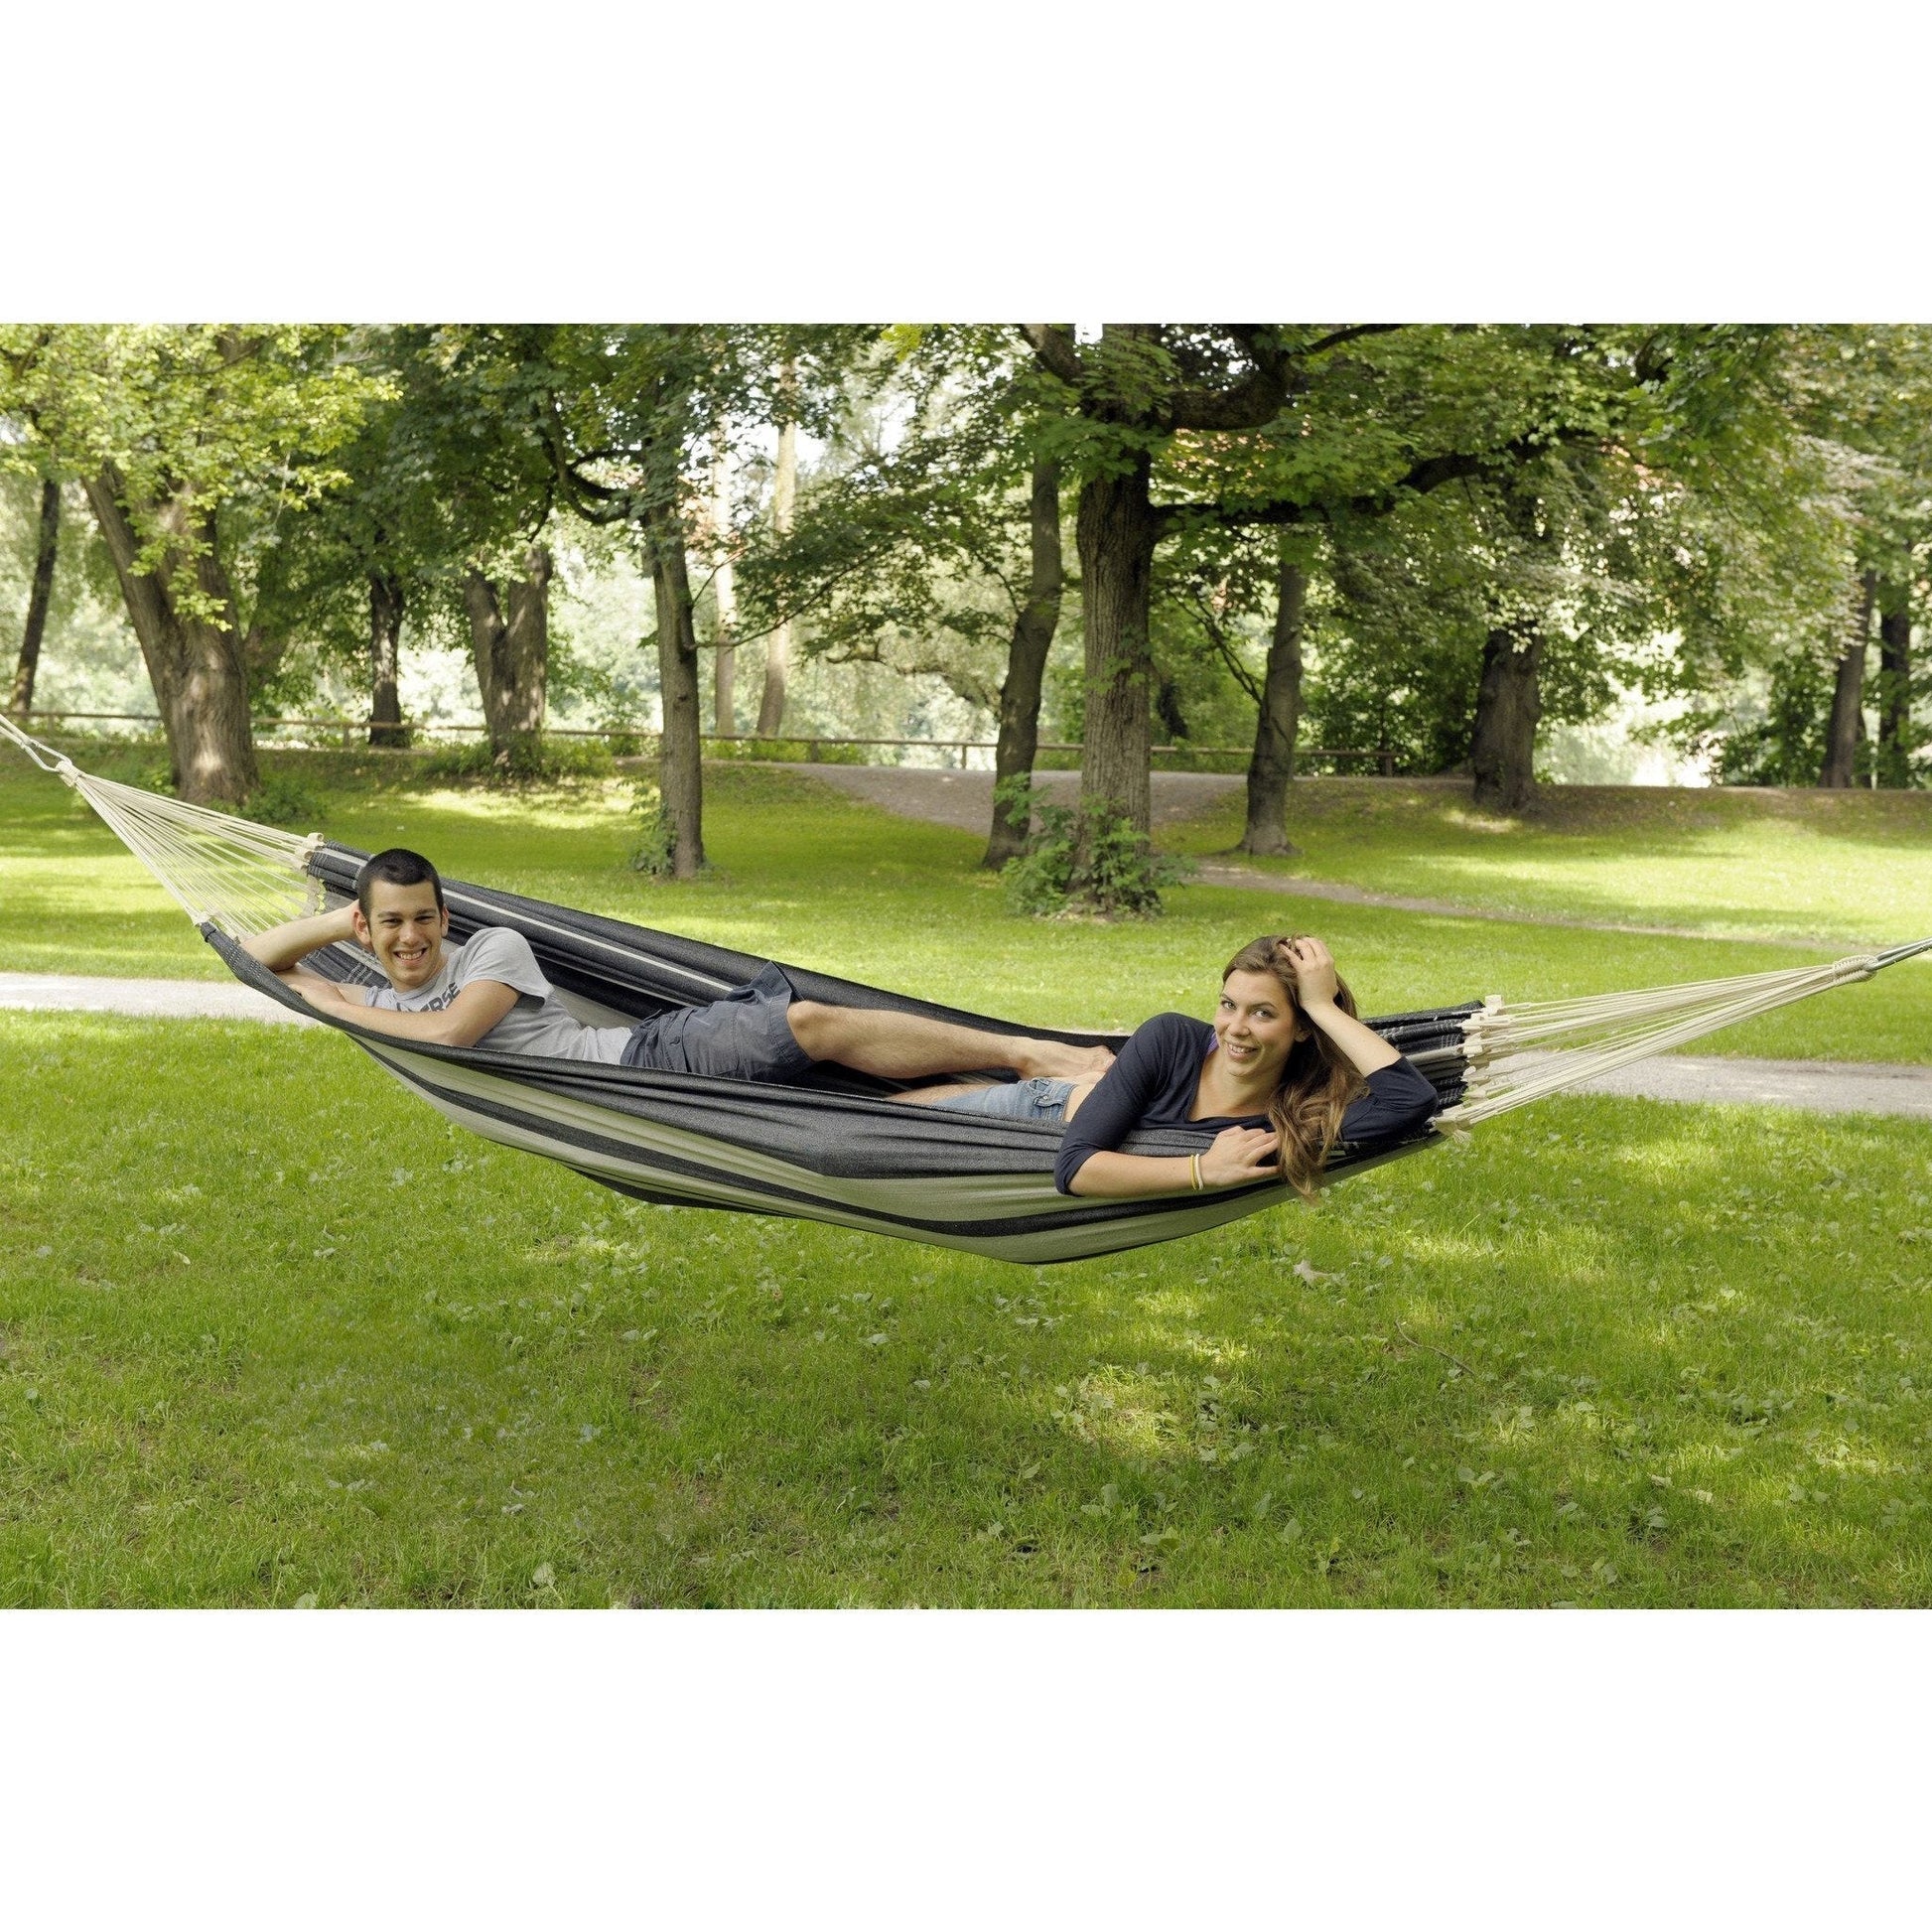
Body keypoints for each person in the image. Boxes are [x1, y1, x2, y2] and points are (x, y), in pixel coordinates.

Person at [242, 848, 1114, 1088]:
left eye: (422, 917)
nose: (409, 938)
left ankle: (1027, 1052)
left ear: (444, 916)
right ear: (365, 923)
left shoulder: (488, 952)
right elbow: (250, 959)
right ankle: (1042, 1102)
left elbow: (456, 1033)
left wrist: (335, 1000)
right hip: (645, 1107)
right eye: (388, 923)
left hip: (648, 1063)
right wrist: (337, 921)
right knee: (845, 1115)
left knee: (806, 1025)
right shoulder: (371, 974)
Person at [896, 934, 1439, 1197]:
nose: (1235, 1028)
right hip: (1042, 1110)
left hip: (1063, 1136)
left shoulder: (1296, 1116)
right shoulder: (1172, 1037)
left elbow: (1411, 1103)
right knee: (867, 1120)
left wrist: (1321, 1005)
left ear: (1301, 1029)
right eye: (1229, 1005)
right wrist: (1203, 1170)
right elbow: (1074, 1169)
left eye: (1263, 1013)